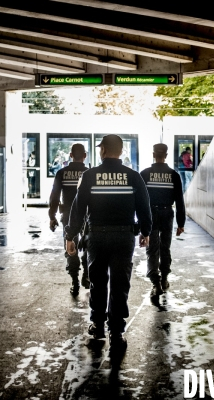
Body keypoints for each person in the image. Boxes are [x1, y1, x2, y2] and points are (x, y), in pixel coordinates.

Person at [65, 134, 152, 351]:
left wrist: (70, 236)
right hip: (124, 238)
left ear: (102, 150)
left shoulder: (90, 176)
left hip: (97, 237)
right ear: (121, 151)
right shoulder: (133, 177)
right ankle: (117, 332)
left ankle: (97, 325)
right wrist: (145, 231)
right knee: (121, 283)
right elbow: (144, 206)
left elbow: (78, 209)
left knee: (98, 281)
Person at [140, 143, 186, 298]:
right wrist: (181, 223)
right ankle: (165, 278)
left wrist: (141, 222)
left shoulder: (145, 174)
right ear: (166, 155)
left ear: (154, 154)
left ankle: (156, 282)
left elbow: (140, 201)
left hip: (150, 213)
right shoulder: (174, 175)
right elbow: (180, 201)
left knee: (152, 248)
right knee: (165, 247)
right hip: (167, 213)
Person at [49, 143, 89, 296]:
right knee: (87, 246)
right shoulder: (89, 172)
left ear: (71, 155)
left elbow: (54, 198)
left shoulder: (62, 173)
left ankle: (75, 282)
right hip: (87, 216)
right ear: (84, 156)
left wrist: (52, 217)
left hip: (67, 215)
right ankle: (87, 274)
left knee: (70, 247)